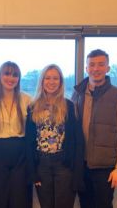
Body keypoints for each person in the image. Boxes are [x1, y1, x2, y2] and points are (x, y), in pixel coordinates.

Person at [71, 49, 117, 208]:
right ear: (86, 68)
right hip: (81, 165)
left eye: (101, 64)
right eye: (92, 65)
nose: (96, 69)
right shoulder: (77, 94)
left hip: (105, 168)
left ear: (108, 68)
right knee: (84, 204)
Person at [25, 64, 84, 208]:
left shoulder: (69, 106)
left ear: (61, 82)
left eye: (55, 78)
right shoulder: (33, 107)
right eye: (48, 78)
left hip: (64, 165)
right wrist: (32, 172)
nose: (51, 82)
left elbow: (78, 142)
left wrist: (77, 174)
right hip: (41, 165)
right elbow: (29, 142)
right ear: (42, 81)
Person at [0, 61, 32, 208]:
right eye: (7, 74)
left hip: (21, 152)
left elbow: (31, 131)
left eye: (15, 75)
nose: (11, 78)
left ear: (19, 78)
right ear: (0, 76)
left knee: (20, 196)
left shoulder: (27, 100)